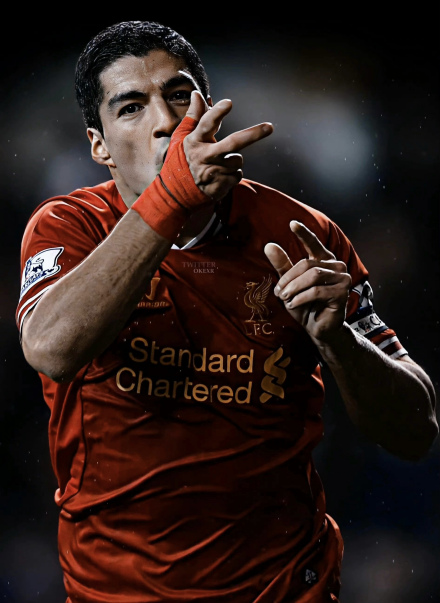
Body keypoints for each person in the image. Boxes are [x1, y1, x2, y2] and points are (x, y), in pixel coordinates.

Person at [15, 20, 437, 603]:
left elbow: (417, 431)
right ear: (99, 145)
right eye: (132, 108)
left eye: (179, 95)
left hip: (283, 587)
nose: (166, 121)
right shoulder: (69, 228)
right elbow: (50, 348)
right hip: (117, 591)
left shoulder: (302, 234)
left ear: (209, 110)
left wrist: (342, 343)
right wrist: (172, 198)